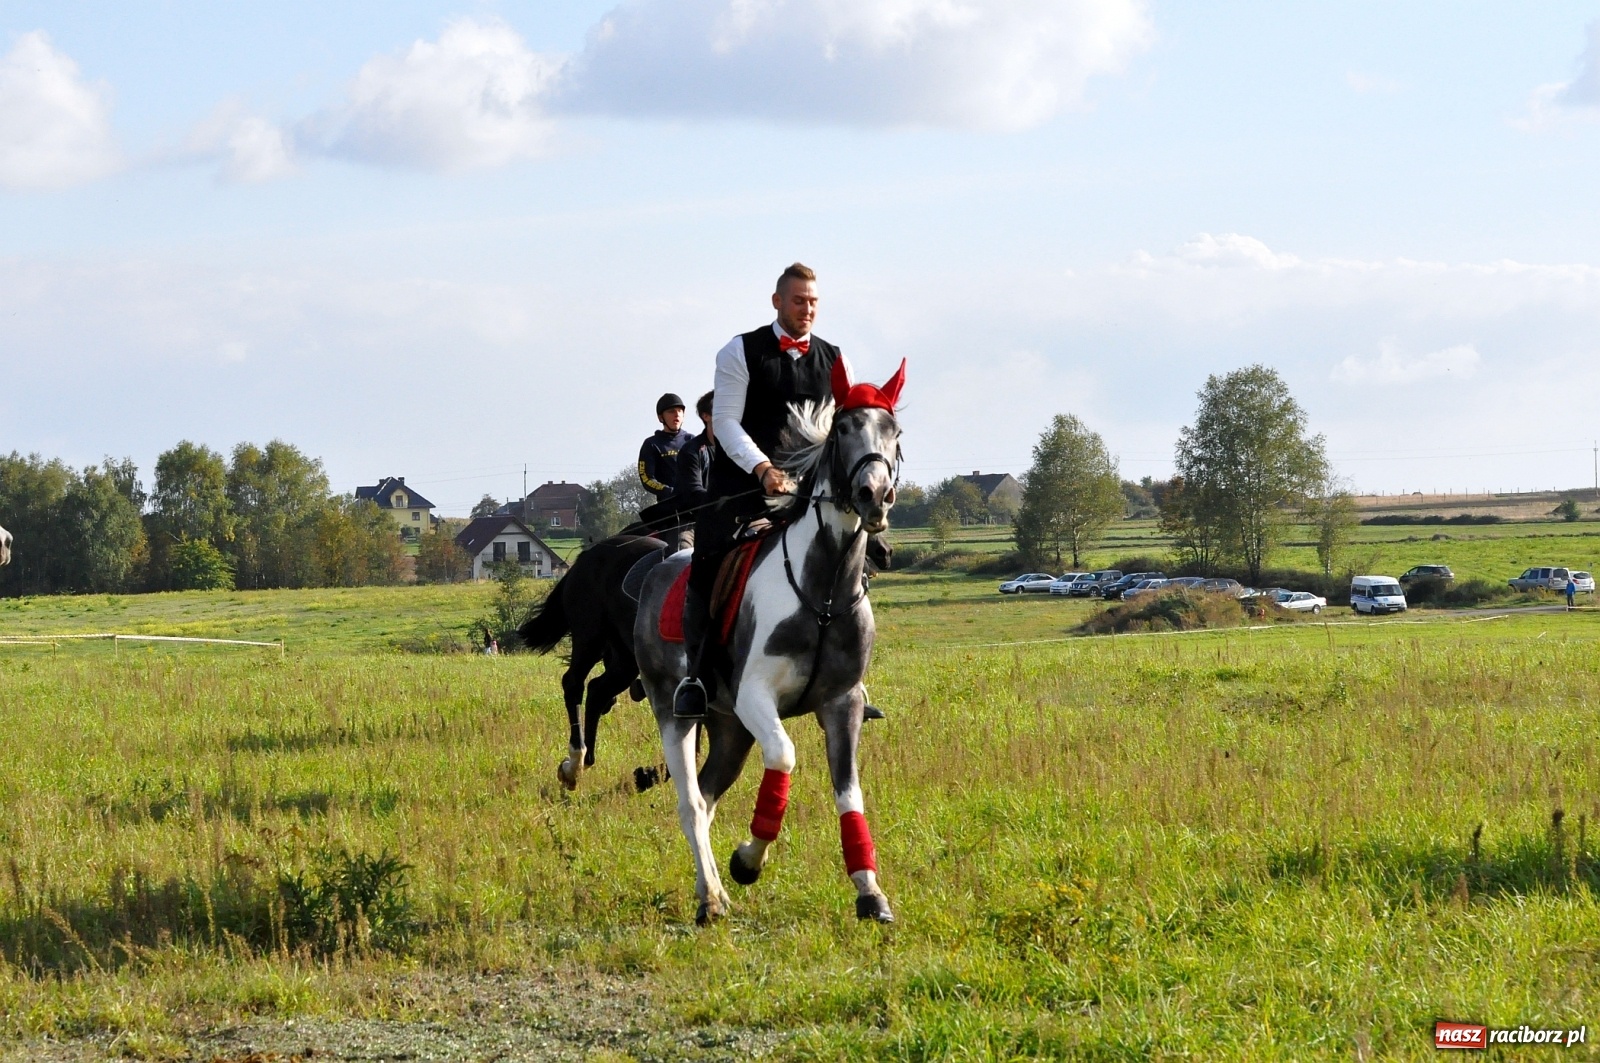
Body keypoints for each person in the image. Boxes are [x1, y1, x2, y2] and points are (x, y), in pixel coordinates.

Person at [673, 263, 885, 723]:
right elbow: (726, 421)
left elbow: (843, 429)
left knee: (859, 558)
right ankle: (699, 674)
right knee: (707, 564)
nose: (806, 309)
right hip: (742, 490)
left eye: (813, 302)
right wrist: (762, 467)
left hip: (811, 493)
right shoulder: (740, 351)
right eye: (797, 301)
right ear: (777, 302)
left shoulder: (835, 358)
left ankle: (849, 679)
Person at [638, 394, 690, 504]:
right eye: (671, 411)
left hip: (696, 503)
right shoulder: (651, 444)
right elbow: (647, 478)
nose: (676, 414)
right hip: (669, 506)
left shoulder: (693, 441)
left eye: (680, 411)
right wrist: (669, 491)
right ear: (661, 417)